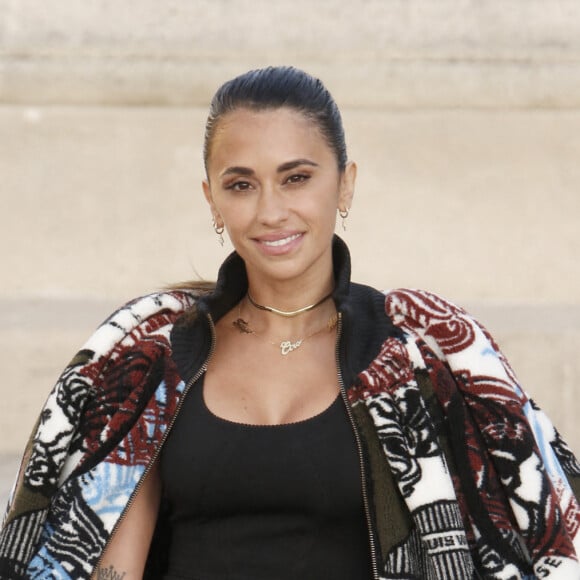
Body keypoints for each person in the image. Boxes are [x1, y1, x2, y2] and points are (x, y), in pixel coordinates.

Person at [1, 66, 579, 580]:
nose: (271, 210)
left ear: (345, 183)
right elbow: (111, 556)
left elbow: (535, 521)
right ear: (212, 200)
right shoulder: (157, 357)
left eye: (296, 177)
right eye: (241, 184)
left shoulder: (414, 357)